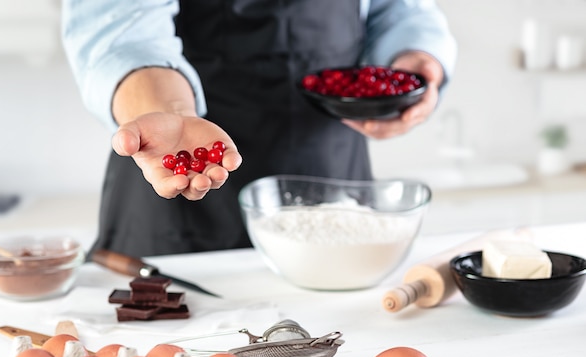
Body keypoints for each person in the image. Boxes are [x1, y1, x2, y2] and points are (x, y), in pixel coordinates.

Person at [61, 0, 457, 257]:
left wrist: (412, 57)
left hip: (331, 171)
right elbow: (120, 30)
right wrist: (173, 111)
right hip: (182, 185)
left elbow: (398, 9)